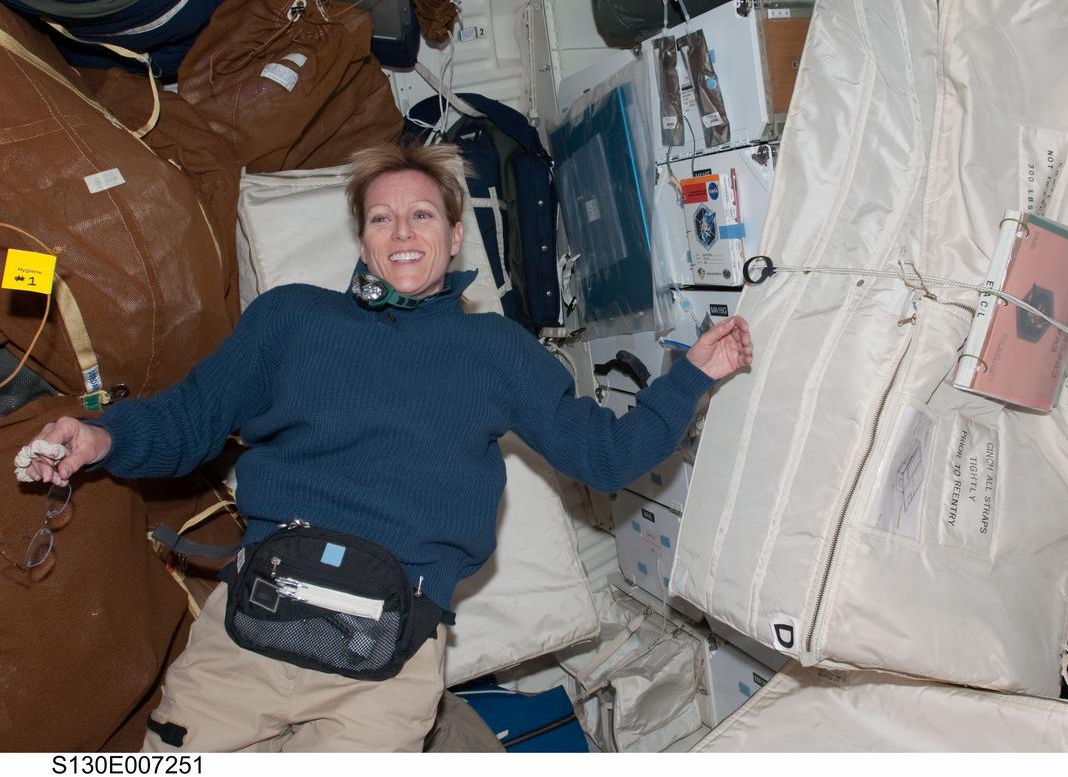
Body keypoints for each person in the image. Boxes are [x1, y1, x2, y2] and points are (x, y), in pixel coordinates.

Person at [14, 141, 753, 752]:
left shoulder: (496, 350)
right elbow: (191, 416)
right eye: (382, 218)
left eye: (421, 215)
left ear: (455, 235)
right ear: (362, 237)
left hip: (390, 658)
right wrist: (102, 435)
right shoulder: (291, 319)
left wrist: (690, 376)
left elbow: (606, 455)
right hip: (252, 630)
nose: (402, 234)